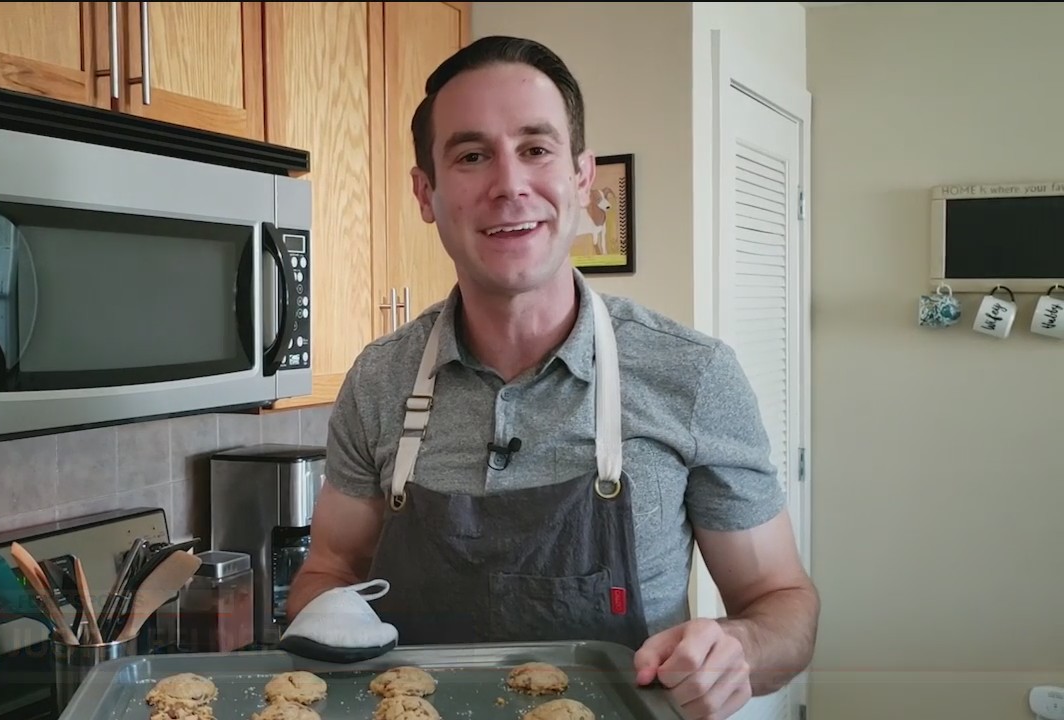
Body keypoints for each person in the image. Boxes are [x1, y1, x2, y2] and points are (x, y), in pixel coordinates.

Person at [287, 35, 819, 720]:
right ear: (427, 193)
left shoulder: (691, 375)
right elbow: (330, 568)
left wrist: (738, 646)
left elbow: (783, 602)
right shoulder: (379, 382)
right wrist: (321, 620)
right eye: (472, 155)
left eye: (536, 149)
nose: (509, 185)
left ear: (580, 177)